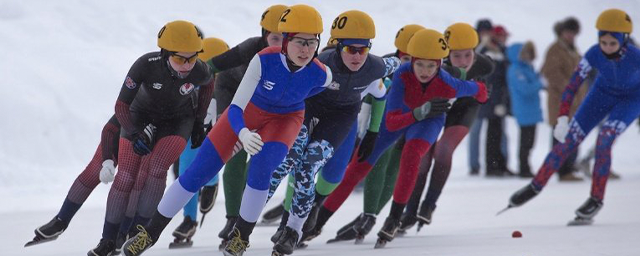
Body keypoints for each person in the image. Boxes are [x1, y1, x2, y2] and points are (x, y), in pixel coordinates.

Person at [121, 5, 331, 256]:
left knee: (261, 169)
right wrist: (242, 133)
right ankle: (149, 234)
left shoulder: (322, 74)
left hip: (286, 119)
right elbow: (236, 107)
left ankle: (240, 237)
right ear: (285, 41)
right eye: (300, 42)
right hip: (247, 111)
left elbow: (336, 96)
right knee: (196, 172)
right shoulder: (263, 60)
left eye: (312, 43)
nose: (306, 50)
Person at [317, 28, 488, 248]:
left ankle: (394, 219)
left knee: (411, 155)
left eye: (431, 66)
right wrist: (418, 111)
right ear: (412, 61)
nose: (425, 71)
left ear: (439, 65)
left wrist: (484, 93)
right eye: (420, 64)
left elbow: (476, 89)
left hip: (429, 121)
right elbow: (392, 122)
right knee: (359, 164)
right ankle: (319, 220)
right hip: (401, 116)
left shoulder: (447, 83)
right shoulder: (402, 74)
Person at [264, 10, 400, 254]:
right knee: (287, 161)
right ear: (337, 47)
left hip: (341, 117)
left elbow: (395, 69)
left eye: (363, 49)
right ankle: (249, 219)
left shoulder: (375, 66)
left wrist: (372, 131)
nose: (357, 56)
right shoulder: (321, 63)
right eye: (351, 50)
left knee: (309, 167)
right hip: (308, 108)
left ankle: (293, 230)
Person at [88, 20, 215, 256]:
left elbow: (209, 84)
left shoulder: (200, 69)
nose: (187, 65)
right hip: (140, 116)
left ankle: (139, 233)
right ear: (165, 53)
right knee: (125, 176)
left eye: (192, 58)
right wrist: (134, 133)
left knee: (157, 169)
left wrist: (199, 121)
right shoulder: (145, 65)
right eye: (179, 59)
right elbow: (121, 106)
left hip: (178, 121)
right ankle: (107, 239)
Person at [508, 9, 640, 225]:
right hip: (601, 95)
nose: (606, 48)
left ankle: (596, 199)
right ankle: (535, 185)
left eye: (612, 44)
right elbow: (571, 86)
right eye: (603, 42)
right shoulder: (593, 53)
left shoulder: (635, 56)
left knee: (605, 138)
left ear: (624, 41)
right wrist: (562, 118)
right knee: (568, 140)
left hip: (631, 99)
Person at [304, 24, 425, 244]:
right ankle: (316, 217)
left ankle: (374, 215)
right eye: (406, 59)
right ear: (398, 55)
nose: (417, 68)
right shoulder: (379, 66)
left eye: (420, 60)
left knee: (399, 167)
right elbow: (370, 97)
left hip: (410, 124)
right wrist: (367, 131)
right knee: (365, 167)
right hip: (379, 122)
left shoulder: (432, 72)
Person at [399, 22, 495, 233]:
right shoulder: (438, 65)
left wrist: (482, 94)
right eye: (456, 56)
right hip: (439, 107)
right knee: (422, 161)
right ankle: (410, 211)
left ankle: (429, 205)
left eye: (467, 55)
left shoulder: (485, 65)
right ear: (446, 54)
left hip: (463, 109)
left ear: (475, 53)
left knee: (443, 151)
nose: (462, 62)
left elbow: (483, 97)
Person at [210, 5, 288, 246]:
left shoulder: (298, 52)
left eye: (286, 38)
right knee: (234, 159)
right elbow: (214, 67)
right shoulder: (250, 47)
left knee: (260, 161)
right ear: (264, 35)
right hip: (234, 96)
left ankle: (246, 217)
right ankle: (233, 217)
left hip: (268, 106)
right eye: (275, 38)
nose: (280, 44)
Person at [169, 37, 230, 248]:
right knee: (187, 170)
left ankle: (212, 181)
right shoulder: (188, 80)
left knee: (205, 164)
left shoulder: (230, 82)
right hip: (192, 132)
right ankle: (189, 219)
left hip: (216, 133)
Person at [25, 116, 120, 247]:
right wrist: (107, 160)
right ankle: (61, 220)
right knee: (94, 171)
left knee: (133, 180)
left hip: (154, 131)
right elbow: (110, 126)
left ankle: (121, 235)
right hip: (136, 123)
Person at [540, 17, 588, 181]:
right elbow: (551, 73)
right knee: (561, 135)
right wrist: (570, 90)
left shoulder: (573, 50)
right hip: (561, 102)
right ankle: (561, 169)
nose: (570, 36)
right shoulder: (555, 50)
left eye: (573, 33)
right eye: (568, 32)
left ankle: (569, 166)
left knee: (573, 135)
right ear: (561, 32)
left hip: (576, 102)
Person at [478, 25, 513, 176]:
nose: (504, 39)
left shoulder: (501, 51)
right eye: (502, 36)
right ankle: (492, 166)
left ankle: (500, 164)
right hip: (493, 100)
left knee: (498, 133)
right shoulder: (489, 52)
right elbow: (491, 80)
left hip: (499, 99)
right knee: (493, 134)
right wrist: (495, 102)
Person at [506, 41, 543, 178]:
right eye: (524, 53)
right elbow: (525, 89)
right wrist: (540, 83)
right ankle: (523, 168)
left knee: (530, 140)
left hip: (532, 109)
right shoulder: (516, 70)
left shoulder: (528, 68)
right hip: (524, 109)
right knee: (525, 141)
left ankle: (526, 166)